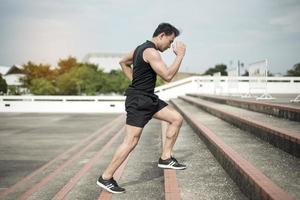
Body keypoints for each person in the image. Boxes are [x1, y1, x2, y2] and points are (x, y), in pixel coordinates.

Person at [97, 22, 186, 194]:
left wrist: (135, 81)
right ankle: (106, 177)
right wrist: (180, 55)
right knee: (131, 141)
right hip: (139, 101)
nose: (170, 47)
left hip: (147, 98)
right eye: (170, 41)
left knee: (176, 118)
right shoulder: (151, 52)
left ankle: (166, 157)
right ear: (161, 36)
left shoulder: (139, 48)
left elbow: (123, 62)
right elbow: (167, 76)